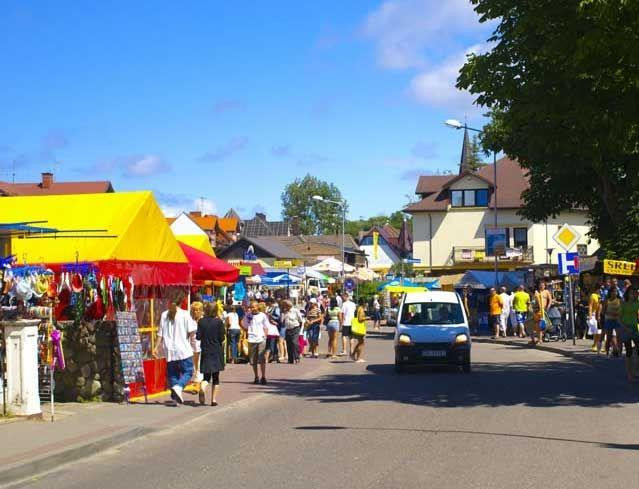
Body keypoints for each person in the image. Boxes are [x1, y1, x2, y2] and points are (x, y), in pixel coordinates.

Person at [154, 295, 196, 404]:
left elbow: (160, 333)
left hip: (169, 349)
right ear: (181, 302)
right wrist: (194, 345)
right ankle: (179, 387)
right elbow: (192, 332)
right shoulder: (185, 314)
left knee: (173, 373)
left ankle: (175, 397)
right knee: (188, 371)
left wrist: (156, 347)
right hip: (183, 349)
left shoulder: (164, 315)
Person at [197, 302, 225, 406]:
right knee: (216, 377)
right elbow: (221, 338)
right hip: (216, 351)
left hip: (205, 350)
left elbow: (198, 336)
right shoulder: (218, 322)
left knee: (206, 377)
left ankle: (202, 387)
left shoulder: (201, 321)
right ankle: (213, 400)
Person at [241, 301, 270, 385]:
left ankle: (263, 377)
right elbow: (243, 324)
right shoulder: (248, 315)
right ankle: (256, 377)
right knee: (253, 360)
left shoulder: (263, 315)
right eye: (251, 307)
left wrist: (265, 336)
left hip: (260, 339)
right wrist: (247, 329)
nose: (252, 309)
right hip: (251, 339)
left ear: (257, 307)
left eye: (254, 307)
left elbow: (266, 326)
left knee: (262, 359)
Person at [620, 287, 639, 382]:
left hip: (635, 328)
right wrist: (625, 328)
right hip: (626, 328)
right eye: (630, 293)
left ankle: (636, 370)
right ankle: (629, 374)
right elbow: (619, 319)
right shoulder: (623, 304)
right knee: (628, 352)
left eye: (634, 293)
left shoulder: (637, 303)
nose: (632, 295)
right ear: (627, 294)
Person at [600, 286, 621, 355]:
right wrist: (610, 313)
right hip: (609, 320)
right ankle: (607, 352)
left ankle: (619, 351)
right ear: (610, 293)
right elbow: (603, 311)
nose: (615, 293)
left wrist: (619, 314)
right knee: (609, 337)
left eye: (616, 292)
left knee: (619, 336)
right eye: (613, 292)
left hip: (617, 320)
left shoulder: (619, 300)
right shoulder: (607, 301)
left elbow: (622, 310)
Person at [190, 301, 204, 382]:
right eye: (194, 310)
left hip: (201, 344)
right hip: (191, 344)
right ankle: (195, 376)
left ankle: (198, 377)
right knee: (193, 361)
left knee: (198, 361)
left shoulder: (203, 320)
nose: (196, 312)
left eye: (198, 310)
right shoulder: (190, 320)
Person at [351, 297, 367, 362]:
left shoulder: (358, 308)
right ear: (364, 303)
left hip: (358, 327)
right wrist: (366, 318)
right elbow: (360, 319)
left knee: (360, 342)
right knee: (361, 343)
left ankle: (353, 354)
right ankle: (358, 358)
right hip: (359, 327)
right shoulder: (361, 309)